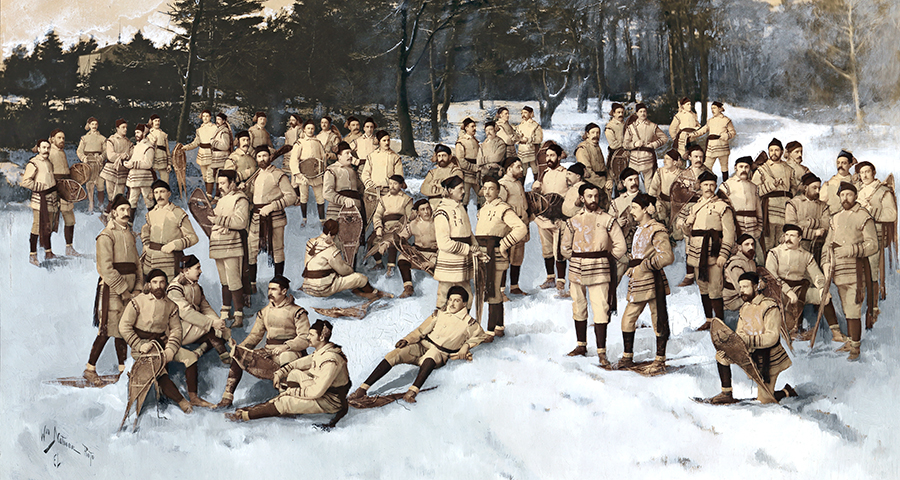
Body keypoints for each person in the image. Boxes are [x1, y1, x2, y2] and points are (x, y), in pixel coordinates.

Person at [347, 287, 490, 404]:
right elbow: (421, 331)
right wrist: (407, 340)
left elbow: (481, 336)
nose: (452, 304)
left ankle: (412, 392)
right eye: (450, 300)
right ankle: (362, 388)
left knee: (431, 357)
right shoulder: (439, 314)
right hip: (422, 345)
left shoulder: (468, 322)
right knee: (395, 354)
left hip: (439, 353)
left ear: (464, 304)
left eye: (457, 301)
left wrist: (466, 346)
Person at [226, 320, 351, 422]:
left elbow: (316, 392)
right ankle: (274, 407)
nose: (308, 337)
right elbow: (298, 363)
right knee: (294, 373)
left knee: (285, 401)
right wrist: (280, 373)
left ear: (322, 336)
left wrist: (292, 392)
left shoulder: (330, 360)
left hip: (330, 401)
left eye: (311, 335)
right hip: (321, 392)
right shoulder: (321, 352)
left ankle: (245, 416)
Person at [702, 271, 796, 405]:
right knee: (721, 356)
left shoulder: (770, 306)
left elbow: (772, 337)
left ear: (756, 286)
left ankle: (787, 391)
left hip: (769, 358)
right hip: (749, 353)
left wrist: (747, 340)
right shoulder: (744, 308)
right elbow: (740, 334)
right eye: (740, 288)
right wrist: (730, 347)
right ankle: (726, 393)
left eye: (745, 287)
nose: (742, 291)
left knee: (765, 400)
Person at [217, 276, 311, 408]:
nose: (270, 293)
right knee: (237, 355)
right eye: (269, 289)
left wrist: (286, 347)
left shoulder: (297, 312)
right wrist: (239, 347)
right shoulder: (264, 312)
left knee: (286, 358)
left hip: (291, 352)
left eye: (274, 289)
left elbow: (305, 338)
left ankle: (287, 401)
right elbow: (255, 336)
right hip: (268, 351)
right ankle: (227, 398)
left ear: (284, 291)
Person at [559, 183, 626, 364]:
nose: (593, 200)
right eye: (589, 196)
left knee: (601, 308)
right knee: (578, 306)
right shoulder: (573, 221)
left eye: (596, 196)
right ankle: (581, 345)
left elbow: (621, 246)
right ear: (581, 198)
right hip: (577, 268)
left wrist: (607, 259)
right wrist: (577, 257)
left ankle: (601, 352)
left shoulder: (607, 219)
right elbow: (564, 248)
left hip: (600, 268)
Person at [120, 268, 193, 413]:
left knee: (190, 357)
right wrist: (139, 345)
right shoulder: (137, 302)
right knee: (159, 372)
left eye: (162, 282)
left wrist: (171, 349)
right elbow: (124, 326)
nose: (158, 286)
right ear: (148, 285)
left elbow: (177, 329)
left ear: (166, 284)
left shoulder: (171, 305)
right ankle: (182, 402)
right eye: (154, 282)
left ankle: (193, 396)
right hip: (141, 346)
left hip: (162, 345)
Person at [618, 193, 674, 373]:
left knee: (658, 318)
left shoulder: (656, 229)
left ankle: (660, 359)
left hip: (652, 280)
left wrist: (645, 266)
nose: (632, 211)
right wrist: (633, 265)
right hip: (638, 280)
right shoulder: (640, 228)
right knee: (628, 318)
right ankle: (627, 356)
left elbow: (666, 256)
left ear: (645, 209)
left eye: (634, 208)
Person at [821, 182, 878, 360]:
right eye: (842, 195)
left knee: (853, 309)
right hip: (838, 271)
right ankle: (852, 341)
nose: (845, 198)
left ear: (855, 196)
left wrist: (851, 250)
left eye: (849, 194)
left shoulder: (863, 216)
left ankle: (856, 348)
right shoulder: (835, 218)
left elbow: (873, 245)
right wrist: (826, 264)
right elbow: (828, 244)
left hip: (856, 270)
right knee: (846, 308)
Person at [166, 255, 231, 408]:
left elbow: (205, 307)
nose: (201, 271)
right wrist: (211, 323)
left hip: (192, 324)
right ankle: (223, 353)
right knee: (209, 329)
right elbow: (186, 312)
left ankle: (203, 351)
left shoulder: (196, 286)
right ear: (186, 270)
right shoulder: (175, 288)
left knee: (216, 329)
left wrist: (219, 323)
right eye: (198, 268)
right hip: (178, 329)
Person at [678, 171, 736, 331]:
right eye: (705, 185)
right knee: (702, 287)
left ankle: (720, 324)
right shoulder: (695, 207)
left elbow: (730, 233)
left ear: (716, 186)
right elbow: (687, 233)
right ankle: (709, 320)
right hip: (697, 252)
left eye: (711, 184)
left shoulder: (723, 207)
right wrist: (687, 224)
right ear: (700, 186)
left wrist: (724, 254)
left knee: (715, 288)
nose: (709, 188)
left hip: (714, 252)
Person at [766, 224, 844, 343]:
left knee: (824, 298)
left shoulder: (806, 256)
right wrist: (787, 291)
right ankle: (789, 331)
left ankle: (836, 334)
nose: (788, 238)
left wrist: (822, 288)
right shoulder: (774, 253)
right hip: (779, 290)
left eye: (792, 236)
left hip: (800, 288)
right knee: (786, 301)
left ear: (800, 239)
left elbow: (816, 275)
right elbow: (772, 277)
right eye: (786, 235)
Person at [475, 176, 528, 337]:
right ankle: (499, 327)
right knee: (492, 290)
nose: (488, 191)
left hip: (496, 253)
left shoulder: (504, 208)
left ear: (498, 191)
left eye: (491, 188)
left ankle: (490, 332)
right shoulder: (483, 209)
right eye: (485, 188)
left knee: (493, 291)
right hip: (482, 253)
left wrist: (504, 245)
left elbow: (521, 228)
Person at [433, 176, 488, 309]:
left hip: (463, 262)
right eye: (460, 189)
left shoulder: (460, 208)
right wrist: (468, 249)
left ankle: (462, 327)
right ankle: (442, 327)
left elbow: (468, 234)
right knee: (444, 298)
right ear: (450, 190)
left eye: (464, 188)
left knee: (467, 297)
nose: (463, 191)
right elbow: (444, 243)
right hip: (449, 263)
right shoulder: (442, 211)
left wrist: (478, 251)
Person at [301, 219, 386, 299]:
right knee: (360, 278)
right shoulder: (331, 249)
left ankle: (358, 292)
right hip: (323, 288)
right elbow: (344, 271)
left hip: (307, 286)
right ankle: (374, 294)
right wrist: (349, 267)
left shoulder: (311, 242)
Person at [249, 146, 297, 286]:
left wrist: (272, 206)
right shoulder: (255, 175)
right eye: (259, 156)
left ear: (270, 157)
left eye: (265, 156)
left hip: (274, 219)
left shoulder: (278, 174)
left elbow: (291, 197)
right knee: (251, 250)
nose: (262, 159)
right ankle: (252, 286)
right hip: (256, 218)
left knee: (277, 251)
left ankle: (278, 283)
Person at [210, 170, 251, 326]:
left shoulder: (241, 199)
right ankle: (225, 311)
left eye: (223, 183)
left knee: (234, 280)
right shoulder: (221, 201)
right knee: (224, 280)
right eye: (218, 183)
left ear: (233, 182)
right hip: (217, 244)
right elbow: (213, 220)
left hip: (232, 244)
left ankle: (238, 315)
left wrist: (220, 221)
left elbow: (240, 222)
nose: (220, 187)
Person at [854, 161, 897, 309]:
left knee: (872, 271)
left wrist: (871, 211)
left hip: (875, 235)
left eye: (867, 172)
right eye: (862, 173)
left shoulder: (883, 191)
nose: (864, 175)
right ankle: (858, 306)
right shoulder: (857, 190)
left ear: (873, 173)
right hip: (857, 236)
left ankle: (873, 307)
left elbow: (892, 214)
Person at [531, 144, 569, 295]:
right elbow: (540, 196)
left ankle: (561, 280)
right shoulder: (544, 174)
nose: (549, 159)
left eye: (552, 155)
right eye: (547, 156)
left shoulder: (566, 173)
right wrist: (536, 190)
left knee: (559, 249)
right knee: (546, 249)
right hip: (545, 216)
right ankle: (550, 278)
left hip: (560, 217)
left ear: (559, 157)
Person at [141, 179, 198, 279]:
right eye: (156, 192)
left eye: (162, 192)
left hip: (171, 260)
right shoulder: (150, 214)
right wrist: (146, 243)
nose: (159, 195)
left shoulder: (178, 213)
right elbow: (145, 230)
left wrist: (174, 245)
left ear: (169, 194)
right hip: (152, 259)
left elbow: (193, 238)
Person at [752, 138, 798, 254]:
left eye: (776, 150)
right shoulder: (762, 169)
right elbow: (755, 190)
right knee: (768, 245)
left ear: (782, 152)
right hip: (769, 213)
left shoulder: (789, 169)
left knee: (782, 244)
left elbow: (794, 188)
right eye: (771, 150)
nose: (774, 153)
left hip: (784, 212)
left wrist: (789, 199)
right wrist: (771, 186)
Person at [21, 139, 59, 264]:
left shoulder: (49, 163)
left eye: (48, 148)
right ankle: (32, 255)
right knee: (37, 226)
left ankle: (48, 252)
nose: (46, 150)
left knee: (48, 226)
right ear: (38, 148)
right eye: (43, 147)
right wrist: (41, 187)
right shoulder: (33, 163)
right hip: (39, 200)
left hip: (51, 199)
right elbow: (25, 181)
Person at [499, 157, 531, 296]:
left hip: (521, 227)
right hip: (509, 229)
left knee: (517, 259)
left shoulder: (518, 183)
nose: (521, 169)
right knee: (504, 259)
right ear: (509, 168)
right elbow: (500, 207)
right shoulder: (502, 185)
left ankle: (514, 286)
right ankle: (500, 291)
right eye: (518, 167)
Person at [371, 175, 414, 274]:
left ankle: (391, 267)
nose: (392, 186)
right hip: (385, 226)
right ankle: (379, 263)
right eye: (390, 183)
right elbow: (377, 215)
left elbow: (409, 218)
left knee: (392, 240)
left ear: (400, 185)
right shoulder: (384, 199)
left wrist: (400, 228)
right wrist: (378, 227)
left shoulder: (407, 199)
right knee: (371, 241)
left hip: (399, 227)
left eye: (395, 184)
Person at [785, 172, 830, 264]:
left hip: (817, 248)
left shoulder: (824, 206)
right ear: (805, 187)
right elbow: (791, 228)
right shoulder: (793, 204)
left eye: (819, 188)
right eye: (814, 188)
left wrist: (806, 223)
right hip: (797, 246)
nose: (818, 191)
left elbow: (825, 226)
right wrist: (814, 232)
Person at [396, 199, 438, 298]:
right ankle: (408, 287)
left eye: (428, 208)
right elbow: (401, 237)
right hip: (418, 253)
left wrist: (432, 262)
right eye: (422, 209)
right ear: (418, 212)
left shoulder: (438, 222)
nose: (426, 212)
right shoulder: (413, 224)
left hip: (434, 254)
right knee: (402, 259)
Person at [48, 128, 80, 255]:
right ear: (52, 139)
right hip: (53, 188)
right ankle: (47, 250)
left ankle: (69, 248)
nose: (62, 140)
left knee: (70, 219)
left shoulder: (62, 152)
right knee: (50, 220)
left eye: (63, 138)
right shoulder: (49, 151)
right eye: (59, 138)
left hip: (65, 188)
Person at [718, 156, 763, 248]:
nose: (744, 169)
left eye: (746, 167)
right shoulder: (726, 185)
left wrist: (759, 228)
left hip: (752, 227)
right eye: (741, 166)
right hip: (736, 226)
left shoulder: (754, 187)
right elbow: (721, 208)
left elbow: (759, 209)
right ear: (735, 168)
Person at [290, 120, 328, 225]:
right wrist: (299, 174)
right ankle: (304, 219)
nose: (310, 131)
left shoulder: (318, 142)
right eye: (308, 128)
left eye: (312, 128)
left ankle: (322, 220)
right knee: (304, 197)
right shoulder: (299, 143)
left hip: (316, 175)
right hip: (303, 175)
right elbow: (294, 160)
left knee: (320, 198)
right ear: (304, 130)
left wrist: (322, 170)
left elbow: (323, 158)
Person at [609, 168, 641, 284]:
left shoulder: (647, 199)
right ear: (623, 183)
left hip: (642, 245)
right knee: (615, 277)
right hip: (623, 244)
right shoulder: (616, 202)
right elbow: (608, 224)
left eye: (636, 179)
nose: (634, 182)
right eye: (630, 180)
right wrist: (617, 222)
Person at [688, 101, 736, 180]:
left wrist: (726, 135)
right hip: (711, 146)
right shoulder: (710, 121)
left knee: (724, 167)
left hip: (722, 147)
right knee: (707, 166)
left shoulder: (726, 120)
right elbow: (703, 130)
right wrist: (694, 134)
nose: (712, 110)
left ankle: (725, 185)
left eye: (714, 108)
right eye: (711, 108)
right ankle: (706, 183)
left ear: (720, 109)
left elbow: (733, 132)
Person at [623, 103, 667, 186]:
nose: (643, 113)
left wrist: (653, 145)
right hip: (634, 161)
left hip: (648, 161)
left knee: (649, 186)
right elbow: (625, 144)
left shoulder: (652, 126)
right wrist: (635, 144)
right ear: (637, 113)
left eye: (644, 111)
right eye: (640, 111)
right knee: (633, 185)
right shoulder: (631, 127)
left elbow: (664, 138)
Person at [323, 141, 364, 221]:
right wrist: (344, 200)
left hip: (355, 212)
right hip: (337, 211)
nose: (351, 156)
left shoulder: (353, 172)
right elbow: (327, 193)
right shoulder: (332, 170)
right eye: (347, 153)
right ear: (339, 156)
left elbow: (361, 190)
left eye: (351, 153)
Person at [182, 110, 219, 196]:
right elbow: (196, 142)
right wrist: (186, 147)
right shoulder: (199, 130)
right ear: (201, 117)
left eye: (207, 116)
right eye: (204, 116)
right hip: (202, 153)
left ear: (210, 117)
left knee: (210, 175)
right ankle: (207, 193)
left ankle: (209, 195)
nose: (205, 118)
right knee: (205, 176)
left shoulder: (215, 128)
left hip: (211, 153)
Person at [646, 149, 684, 232]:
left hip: (676, 204)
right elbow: (653, 189)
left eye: (667, 159)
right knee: (661, 219)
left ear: (674, 162)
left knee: (677, 231)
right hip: (662, 201)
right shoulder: (660, 172)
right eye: (664, 158)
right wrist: (651, 203)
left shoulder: (682, 174)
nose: (664, 161)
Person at [124, 123, 156, 217]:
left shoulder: (148, 147)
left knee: (149, 201)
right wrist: (128, 163)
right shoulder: (137, 146)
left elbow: (148, 164)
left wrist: (133, 164)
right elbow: (134, 159)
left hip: (144, 179)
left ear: (144, 133)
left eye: (138, 132)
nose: (136, 134)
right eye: (135, 132)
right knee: (132, 201)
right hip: (135, 178)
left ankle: (155, 223)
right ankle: (129, 225)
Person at [76, 117, 107, 211]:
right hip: (88, 163)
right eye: (92, 124)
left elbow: (106, 150)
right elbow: (79, 150)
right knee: (90, 184)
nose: (94, 126)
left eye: (95, 124)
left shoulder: (102, 138)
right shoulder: (84, 138)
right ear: (88, 125)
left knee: (100, 183)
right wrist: (83, 157)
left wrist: (101, 157)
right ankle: (91, 204)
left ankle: (101, 204)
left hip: (98, 163)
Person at [420, 144, 463, 210]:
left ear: (450, 156)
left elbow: (454, 189)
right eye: (439, 156)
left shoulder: (455, 171)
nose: (441, 158)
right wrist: (442, 189)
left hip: (450, 207)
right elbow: (424, 189)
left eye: (444, 155)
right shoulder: (432, 173)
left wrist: (434, 186)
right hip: (433, 207)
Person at [723, 234, 757, 315]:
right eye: (747, 244)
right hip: (734, 300)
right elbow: (742, 289)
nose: (751, 247)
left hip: (747, 294)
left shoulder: (751, 262)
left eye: (752, 244)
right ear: (739, 247)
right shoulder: (736, 264)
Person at [574, 122, 611, 195]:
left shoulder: (596, 146)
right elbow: (588, 172)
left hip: (603, 184)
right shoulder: (583, 148)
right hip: (591, 185)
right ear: (587, 134)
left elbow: (604, 168)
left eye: (598, 133)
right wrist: (603, 184)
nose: (595, 135)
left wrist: (609, 180)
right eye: (593, 132)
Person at [102, 119, 132, 202]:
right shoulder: (111, 140)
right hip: (111, 169)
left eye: (126, 127)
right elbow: (111, 156)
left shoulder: (128, 142)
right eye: (123, 127)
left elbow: (132, 154)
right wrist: (121, 156)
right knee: (110, 194)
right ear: (117, 128)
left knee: (119, 194)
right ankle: (111, 212)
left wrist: (127, 155)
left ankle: (117, 211)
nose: (125, 129)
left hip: (122, 170)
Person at [820, 150, 858, 215]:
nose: (840, 165)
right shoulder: (828, 184)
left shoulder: (855, 182)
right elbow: (820, 206)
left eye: (844, 163)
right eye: (838, 163)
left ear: (850, 165)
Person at [455, 117, 481, 205]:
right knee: (464, 199)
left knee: (482, 197)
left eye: (475, 126)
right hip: (466, 175)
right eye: (472, 126)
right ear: (466, 128)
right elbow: (461, 160)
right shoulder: (461, 142)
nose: (475, 128)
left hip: (476, 175)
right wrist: (474, 167)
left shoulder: (476, 141)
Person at [515, 106, 543, 178]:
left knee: (535, 169)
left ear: (530, 113)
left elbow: (539, 139)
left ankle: (536, 184)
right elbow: (516, 137)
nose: (523, 115)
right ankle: (522, 186)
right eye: (522, 113)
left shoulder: (535, 126)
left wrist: (528, 140)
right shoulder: (520, 126)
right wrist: (519, 139)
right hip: (522, 151)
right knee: (522, 169)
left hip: (532, 151)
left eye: (525, 113)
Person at [147, 114, 172, 185]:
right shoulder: (149, 136)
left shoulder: (163, 134)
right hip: (153, 160)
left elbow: (167, 150)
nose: (157, 122)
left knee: (165, 182)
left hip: (163, 159)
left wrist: (169, 163)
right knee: (153, 181)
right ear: (152, 122)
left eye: (158, 121)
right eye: (155, 121)